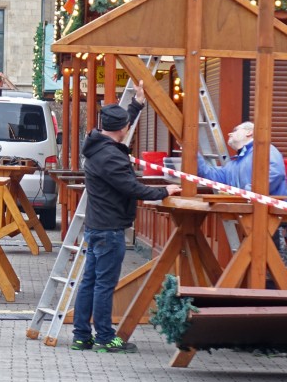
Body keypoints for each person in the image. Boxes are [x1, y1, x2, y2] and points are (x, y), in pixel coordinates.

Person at [71, 81, 181, 353]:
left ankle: (81, 336)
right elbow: (131, 188)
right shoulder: (112, 157)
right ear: (120, 129)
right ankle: (105, 338)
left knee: (90, 282)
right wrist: (164, 190)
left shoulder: (97, 144)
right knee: (104, 285)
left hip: (96, 226)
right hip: (109, 230)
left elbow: (121, 125)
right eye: (126, 125)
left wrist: (136, 105)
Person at [197, 121, 287, 267]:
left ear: (249, 132)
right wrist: (192, 152)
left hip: (272, 219)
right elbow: (211, 175)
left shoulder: (265, 150)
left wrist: (248, 191)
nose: (229, 133)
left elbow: (275, 173)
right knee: (260, 267)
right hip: (251, 219)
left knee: (272, 267)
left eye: (235, 130)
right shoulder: (234, 163)